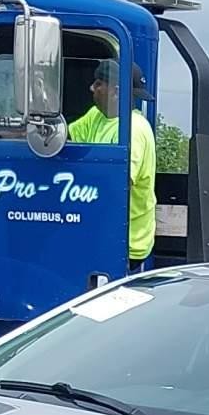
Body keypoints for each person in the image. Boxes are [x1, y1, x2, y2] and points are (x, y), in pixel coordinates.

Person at [65, 61, 157, 271]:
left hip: (124, 245)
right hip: (102, 233)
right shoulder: (97, 116)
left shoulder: (134, 129)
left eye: (98, 83)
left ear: (115, 91)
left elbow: (117, 188)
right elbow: (65, 138)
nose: (91, 88)